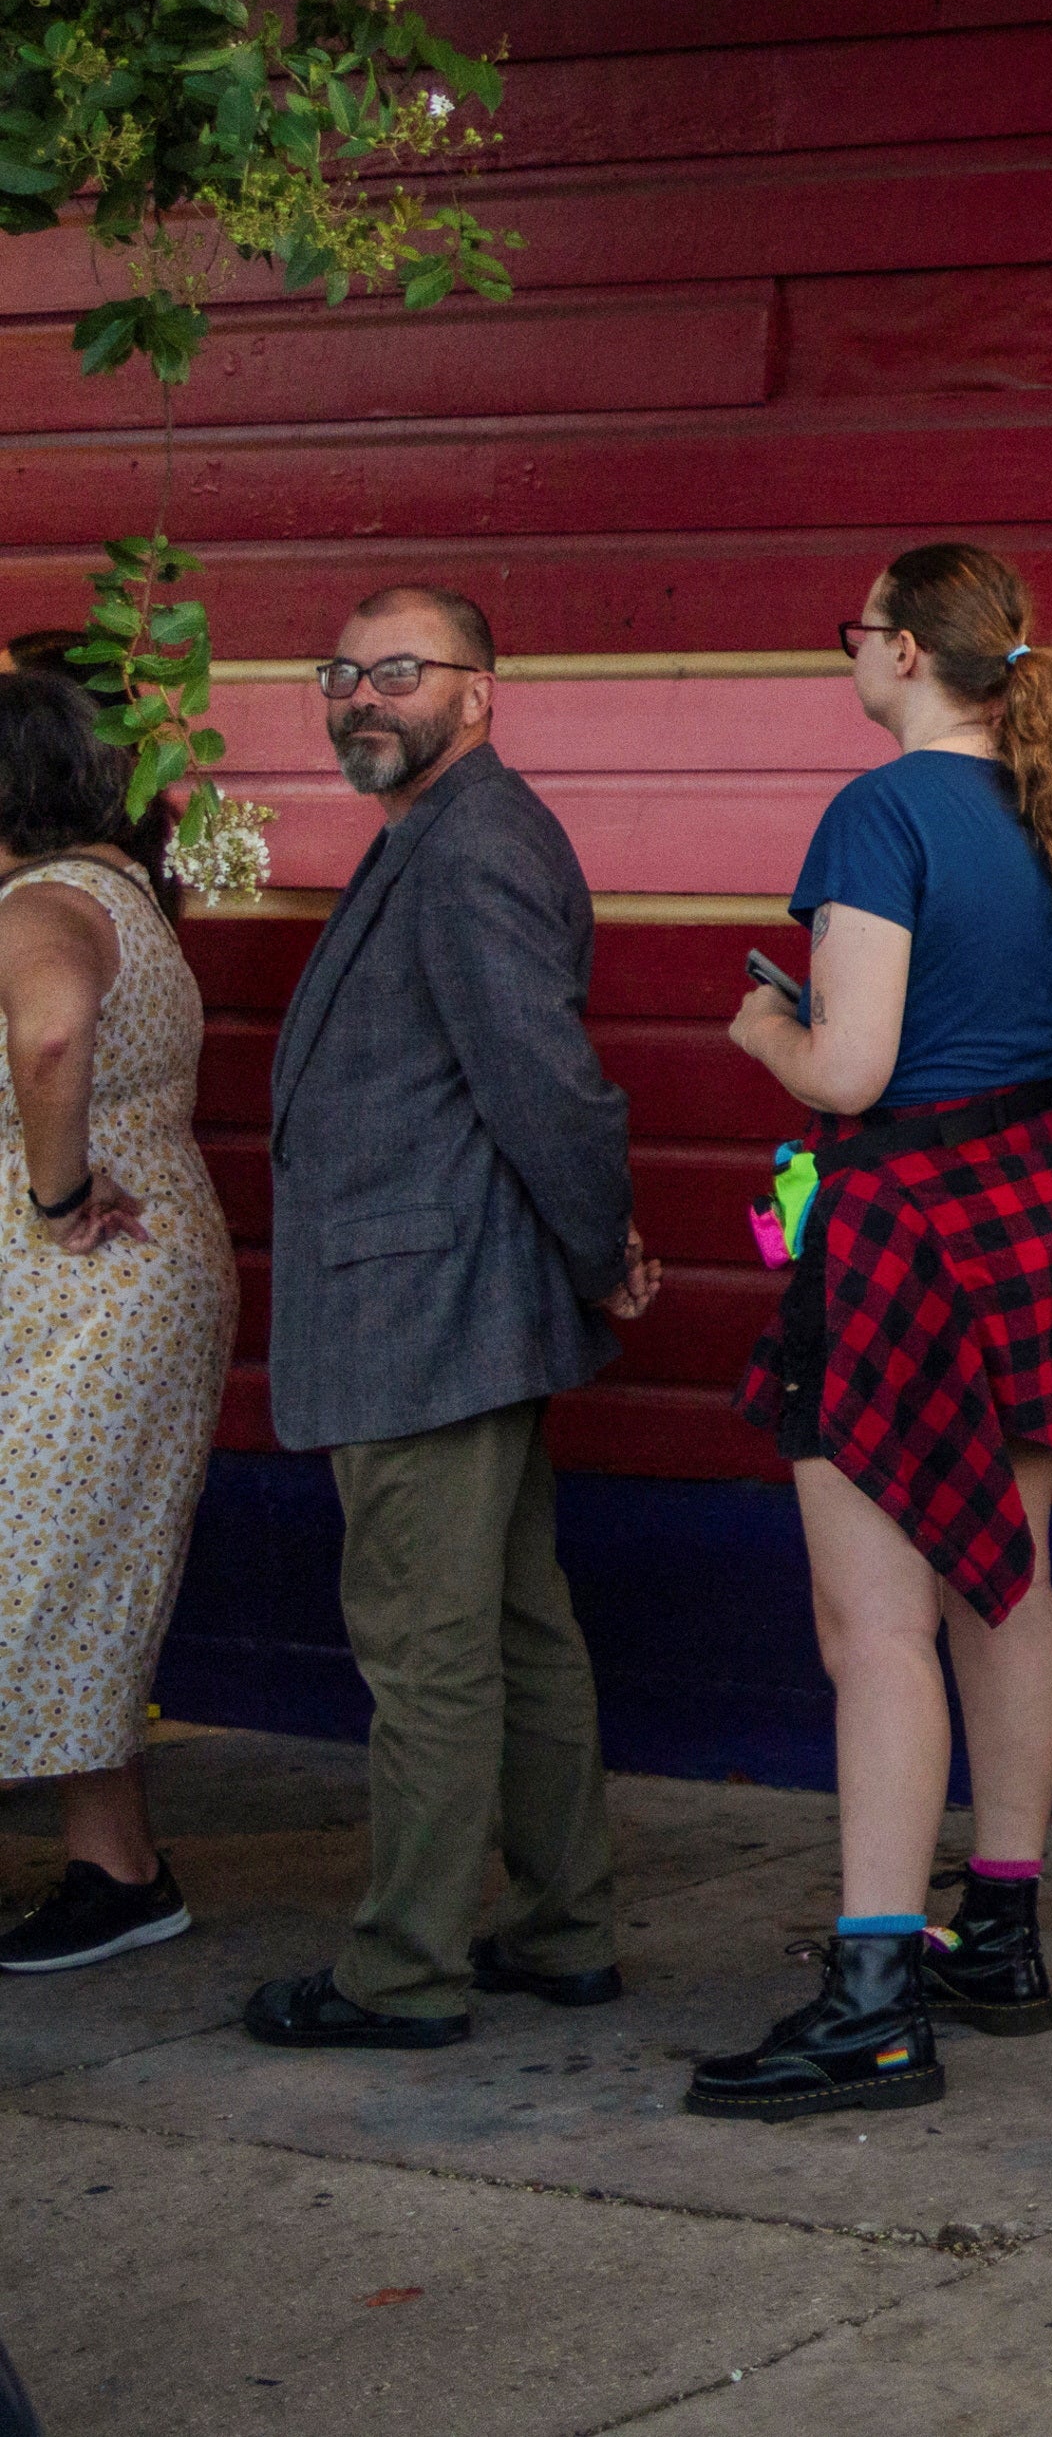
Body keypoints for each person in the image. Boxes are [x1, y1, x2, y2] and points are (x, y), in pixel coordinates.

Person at [700, 543, 1052, 2121]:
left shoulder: (877, 814)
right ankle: (1002, 1933)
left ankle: (877, 1993)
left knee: (874, 1629)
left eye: (858, 630)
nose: (854, 655)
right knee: (1004, 1579)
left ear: (904, 652)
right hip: (1040, 1205)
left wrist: (767, 1022)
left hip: (906, 1225)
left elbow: (850, 1068)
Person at [204, 593, 651, 2036]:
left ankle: (404, 1973)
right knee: (516, 1632)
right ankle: (563, 1925)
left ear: (481, 693)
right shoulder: (441, 835)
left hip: (427, 1313)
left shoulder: (470, 850)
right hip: (456, 1304)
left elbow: (546, 1085)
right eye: (341, 673)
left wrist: (597, 1252)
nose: (361, 698)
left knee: (429, 1654)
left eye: (399, 672)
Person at [0, 675, 242, 1981]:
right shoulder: (125, 895)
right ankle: (117, 1872)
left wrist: (56, 1188)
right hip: (133, 1287)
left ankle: (119, 1874)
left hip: (81, 1292)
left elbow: (47, 1038)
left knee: (33, 1577)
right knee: (74, 1582)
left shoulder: (41, 903)